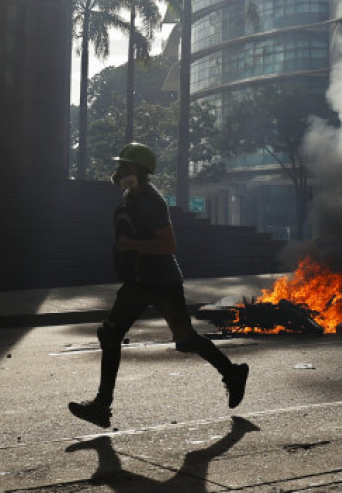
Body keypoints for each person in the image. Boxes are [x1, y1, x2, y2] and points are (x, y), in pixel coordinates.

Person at [68, 143, 249, 428]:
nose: (120, 171)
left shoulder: (151, 203)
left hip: (162, 281)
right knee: (110, 334)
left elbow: (168, 245)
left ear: (140, 170)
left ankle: (233, 373)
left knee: (186, 339)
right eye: (120, 165)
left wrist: (131, 245)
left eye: (125, 166)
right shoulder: (129, 198)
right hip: (138, 282)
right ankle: (102, 406)